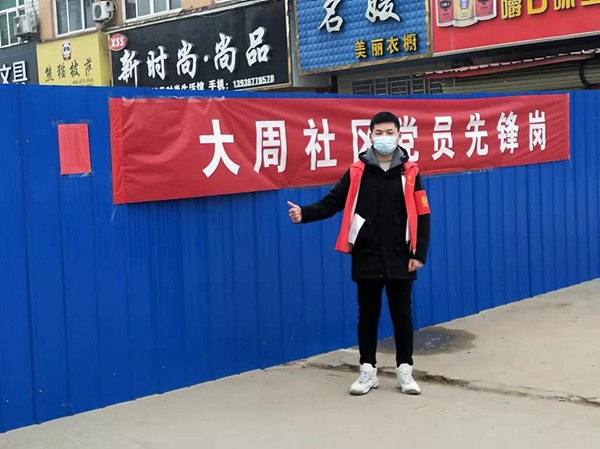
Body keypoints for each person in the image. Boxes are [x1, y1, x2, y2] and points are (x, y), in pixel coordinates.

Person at [287, 111, 431, 396]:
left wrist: (419, 254)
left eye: (390, 132)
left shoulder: (410, 172)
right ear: (370, 135)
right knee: (368, 315)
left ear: (399, 135)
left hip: (401, 255)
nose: (384, 137)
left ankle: (405, 371)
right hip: (367, 254)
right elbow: (332, 202)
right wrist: (304, 213)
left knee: (402, 314)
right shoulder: (358, 171)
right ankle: (368, 371)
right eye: (379, 133)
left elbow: (423, 214)